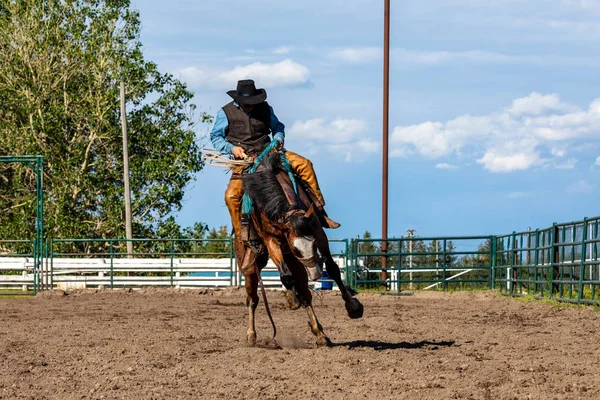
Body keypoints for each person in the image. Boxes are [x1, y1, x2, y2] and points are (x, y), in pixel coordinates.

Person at [210, 79, 339, 241]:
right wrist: (232, 149)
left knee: (304, 164)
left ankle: (319, 212)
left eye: (253, 102)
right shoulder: (225, 112)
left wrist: (278, 138)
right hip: (244, 160)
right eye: (247, 103)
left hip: (270, 153)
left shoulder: (265, 108)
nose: (251, 105)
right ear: (239, 100)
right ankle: (242, 234)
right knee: (232, 196)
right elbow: (216, 137)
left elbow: (278, 127)